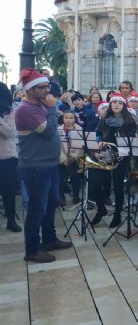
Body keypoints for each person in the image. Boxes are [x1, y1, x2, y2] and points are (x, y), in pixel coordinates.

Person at [15, 69, 72, 263]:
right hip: (35, 167)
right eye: (42, 87)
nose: (47, 90)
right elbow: (47, 131)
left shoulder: (40, 105)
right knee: (36, 209)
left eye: (48, 85)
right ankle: (32, 249)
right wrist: (51, 109)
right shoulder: (25, 110)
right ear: (30, 90)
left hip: (50, 164)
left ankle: (49, 239)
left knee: (50, 205)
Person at [90, 94, 138, 227]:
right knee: (95, 182)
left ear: (124, 106)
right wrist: (98, 145)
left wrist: (121, 150)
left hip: (121, 156)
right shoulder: (105, 119)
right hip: (105, 154)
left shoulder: (129, 121)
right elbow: (98, 134)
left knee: (118, 186)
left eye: (120, 103)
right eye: (114, 102)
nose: (116, 104)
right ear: (110, 105)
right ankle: (101, 210)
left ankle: (117, 215)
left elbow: (131, 141)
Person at [0, 82, 21, 233]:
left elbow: (9, 133)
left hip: (7, 157)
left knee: (8, 190)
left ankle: (11, 220)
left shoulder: (11, 112)